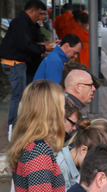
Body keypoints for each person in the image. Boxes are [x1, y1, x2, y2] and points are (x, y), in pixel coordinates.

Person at [5, 80, 66, 192]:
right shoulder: (39, 153)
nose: (64, 112)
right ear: (52, 111)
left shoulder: (30, 145)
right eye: (61, 106)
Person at [0, 0, 53, 133]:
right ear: (32, 11)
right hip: (14, 64)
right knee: (18, 96)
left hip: (18, 64)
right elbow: (25, 45)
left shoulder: (26, 23)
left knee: (20, 95)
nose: (40, 17)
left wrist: (42, 46)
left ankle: (16, 125)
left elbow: (28, 43)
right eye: (40, 14)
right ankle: (13, 127)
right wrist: (43, 47)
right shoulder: (20, 23)